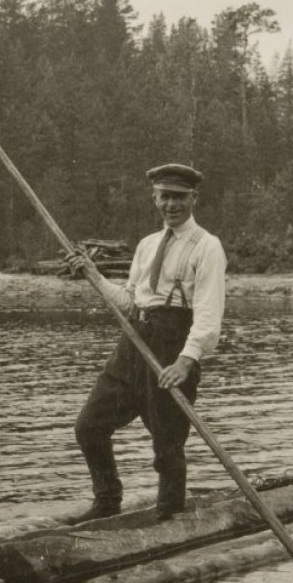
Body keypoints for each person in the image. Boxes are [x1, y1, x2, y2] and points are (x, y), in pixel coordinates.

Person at [64, 163, 227, 522]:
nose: (172, 205)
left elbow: (209, 313)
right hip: (134, 341)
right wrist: (93, 275)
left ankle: (169, 517)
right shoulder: (147, 245)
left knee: (167, 445)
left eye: (179, 197)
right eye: (165, 196)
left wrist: (186, 361)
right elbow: (129, 302)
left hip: (173, 344)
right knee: (89, 426)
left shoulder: (207, 246)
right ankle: (107, 502)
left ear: (194, 198)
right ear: (154, 198)